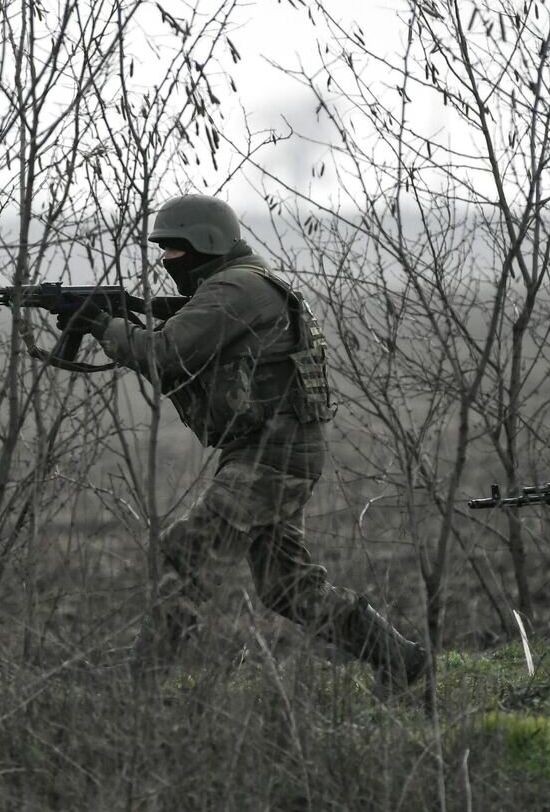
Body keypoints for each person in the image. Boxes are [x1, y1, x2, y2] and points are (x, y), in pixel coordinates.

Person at [52, 193, 426, 692]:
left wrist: (102, 324)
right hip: (277, 453)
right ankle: (402, 661)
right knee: (288, 590)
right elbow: (182, 349)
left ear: (206, 243)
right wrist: (114, 322)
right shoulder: (239, 283)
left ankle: (139, 690)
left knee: (190, 555)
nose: (166, 262)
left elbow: (164, 353)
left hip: (271, 456)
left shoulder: (237, 287)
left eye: (175, 251)